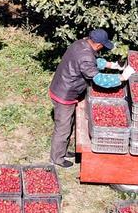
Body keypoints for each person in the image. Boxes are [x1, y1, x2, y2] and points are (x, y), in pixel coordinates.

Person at [48, 29, 131, 167]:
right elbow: (97, 79)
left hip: (61, 87)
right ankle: (56, 158)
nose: (103, 48)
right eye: (103, 46)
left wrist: (111, 65)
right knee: (63, 128)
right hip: (64, 94)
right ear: (98, 45)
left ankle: (62, 150)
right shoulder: (85, 56)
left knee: (68, 123)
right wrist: (122, 77)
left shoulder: (81, 44)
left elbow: (91, 62)